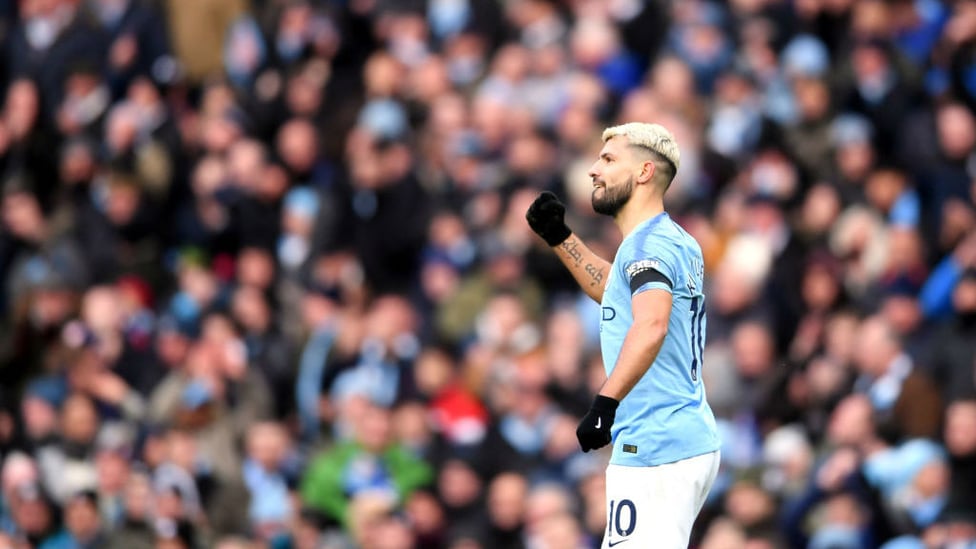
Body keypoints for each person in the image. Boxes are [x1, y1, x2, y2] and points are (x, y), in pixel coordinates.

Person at [525, 122, 721, 548]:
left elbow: (651, 323)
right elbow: (616, 290)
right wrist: (561, 238)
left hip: (656, 445)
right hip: (679, 436)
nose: (594, 170)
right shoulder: (668, 240)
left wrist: (604, 403)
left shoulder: (648, 246)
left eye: (609, 159)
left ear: (645, 172)